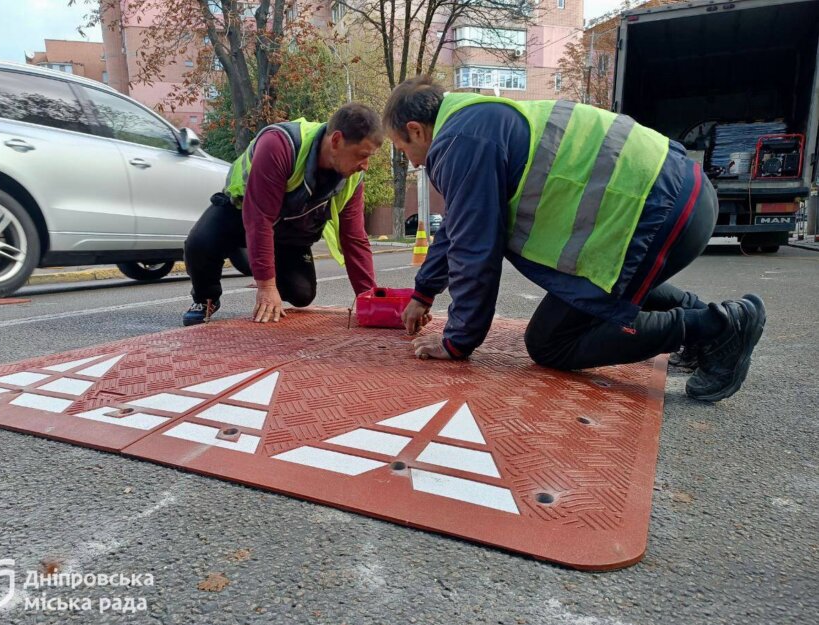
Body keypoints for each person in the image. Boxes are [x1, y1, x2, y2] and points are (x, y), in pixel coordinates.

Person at [383, 77, 766, 402]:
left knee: (550, 343)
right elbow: (456, 227)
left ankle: (718, 327)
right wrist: (423, 293)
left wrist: (457, 341)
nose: (415, 162)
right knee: (596, 290)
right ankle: (701, 328)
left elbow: (474, 249)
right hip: (682, 197)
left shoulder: (459, 141)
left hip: (658, 214)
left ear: (416, 129)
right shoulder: (479, 120)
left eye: (405, 149)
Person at [182, 103, 383, 326]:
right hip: (240, 214)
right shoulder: (278, 145)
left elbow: (354, 238)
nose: (365, 165)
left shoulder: (353, 177)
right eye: (362, 155)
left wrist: (369, 300)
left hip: (289, 234)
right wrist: (266, 288)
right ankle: (205, 298)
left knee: (302, 294)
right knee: (199, 244)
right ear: (336, 141)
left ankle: (248, 256)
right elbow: (259, 220)